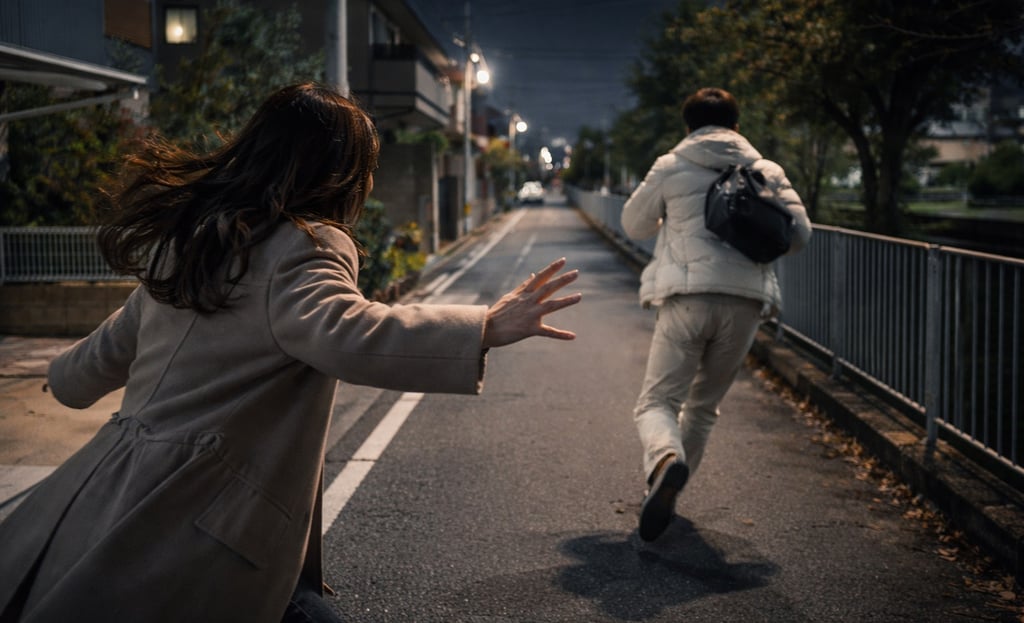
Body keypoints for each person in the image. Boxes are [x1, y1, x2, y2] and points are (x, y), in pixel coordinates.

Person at [0, 83, 581, 623]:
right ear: (339, 172)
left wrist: (61, 377)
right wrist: (483, 326)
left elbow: (113, 342)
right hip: (201, 509)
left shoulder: (191, 240)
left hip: (111, 489)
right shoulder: (303, 247)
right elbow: (351, 333)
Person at [621, 87, 812, 542]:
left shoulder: (670, 165)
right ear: (737, 126)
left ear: (688, 126)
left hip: (686, 297)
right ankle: (666, 488)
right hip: (745, 302)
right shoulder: (766, 170)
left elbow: (633, 224)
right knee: (703, 407)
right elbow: (800, 235)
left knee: (657, 401)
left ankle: (666, 461)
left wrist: (670, 219)